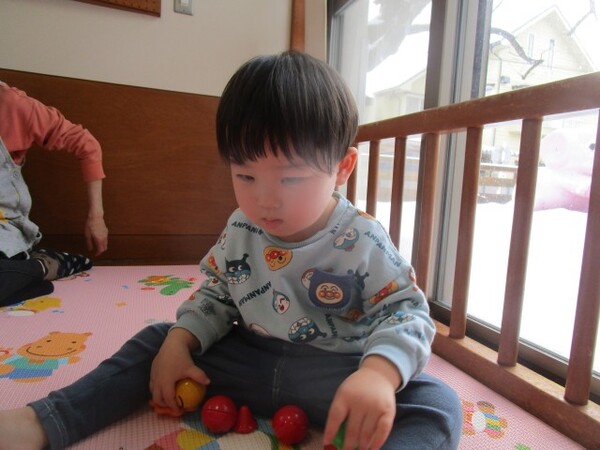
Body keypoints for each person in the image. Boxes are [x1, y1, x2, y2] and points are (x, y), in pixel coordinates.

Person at [0, 51, 461, 450]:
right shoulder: (242, 225)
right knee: (158, 340)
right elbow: (218, 293)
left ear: (342, 168)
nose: (265, 199)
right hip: (249, 363)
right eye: (245, 175)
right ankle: (45, 421)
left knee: (438, 403)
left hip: (336, 377)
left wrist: (377, 375)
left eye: (291, 177)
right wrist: (181, 343)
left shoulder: (362, 238)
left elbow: (406, 312)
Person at [0, 81, 108, 307]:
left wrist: (96, 217)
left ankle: (44, 264)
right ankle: (31, 276)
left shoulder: (14, 105)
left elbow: (87, 145)